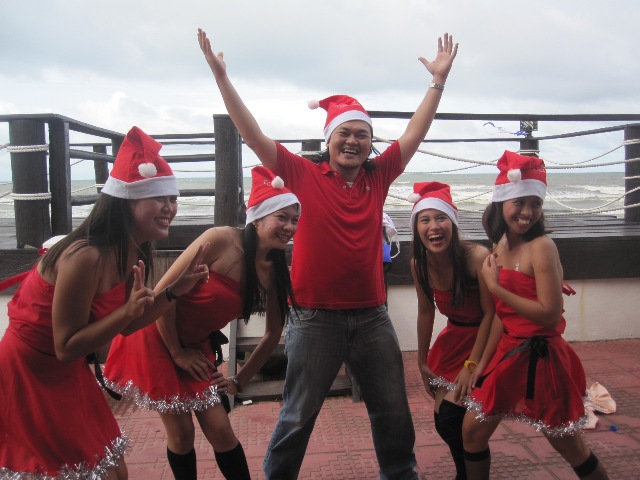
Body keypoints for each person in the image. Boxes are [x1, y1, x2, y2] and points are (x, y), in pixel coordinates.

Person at [198, 27, 458, 479]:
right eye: (345, 133)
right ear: (329, 139)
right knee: (298, 414)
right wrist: (222, 78)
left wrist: (437, 81)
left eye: (362, 134)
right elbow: (252, 135)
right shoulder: (303, 174)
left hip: (372, 317)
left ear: (371, 143)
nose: (353, 141)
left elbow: (416, 132)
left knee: (393, 412)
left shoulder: (379, 176)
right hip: (314, 318)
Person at [0, 126, 209, 479]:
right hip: (29, 371)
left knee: (112, 469)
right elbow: (66, 345)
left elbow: (128, 324)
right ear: (126, 202)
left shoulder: (132, 249)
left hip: (66, 371)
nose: (170, 208)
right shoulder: (85, 256)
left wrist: (175, 291)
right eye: (159, 198)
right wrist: (127, 311)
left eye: (173, 199)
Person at [103, 165, 301, 480]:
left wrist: (239, 380)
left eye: (295, 220)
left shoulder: (275, 269)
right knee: (181, 434)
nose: (289, 227)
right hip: (157, 336)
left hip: (195, 348)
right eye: (282, 217)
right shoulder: (219, 239)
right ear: (258, 217)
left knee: (221, 429)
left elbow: (273, 333)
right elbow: (164, 294)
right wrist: (177, 352)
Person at [461, 151, 609, 479]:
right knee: (471, 432)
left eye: (536, 204)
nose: (527, 212)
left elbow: (549, 314)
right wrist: (482, 364)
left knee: (570, 446)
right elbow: (501, 316)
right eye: (519, 202)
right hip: (507, 353)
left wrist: (495, 287)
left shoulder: (542, 246)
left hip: (542, 360)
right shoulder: (500, 244)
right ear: (501, 202)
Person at [408, 181, 494, 479]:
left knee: (453, 418)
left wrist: (472, 365)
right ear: (417, 228)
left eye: (441, 217)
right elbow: (425, 311)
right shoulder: (419, 263)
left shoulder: (476, 257)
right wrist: (422, 361)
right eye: (425, 219)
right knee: (444, 421)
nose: (434, 226)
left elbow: (492, 314)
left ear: (453, 223)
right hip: (455, 339)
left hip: (486, 340)